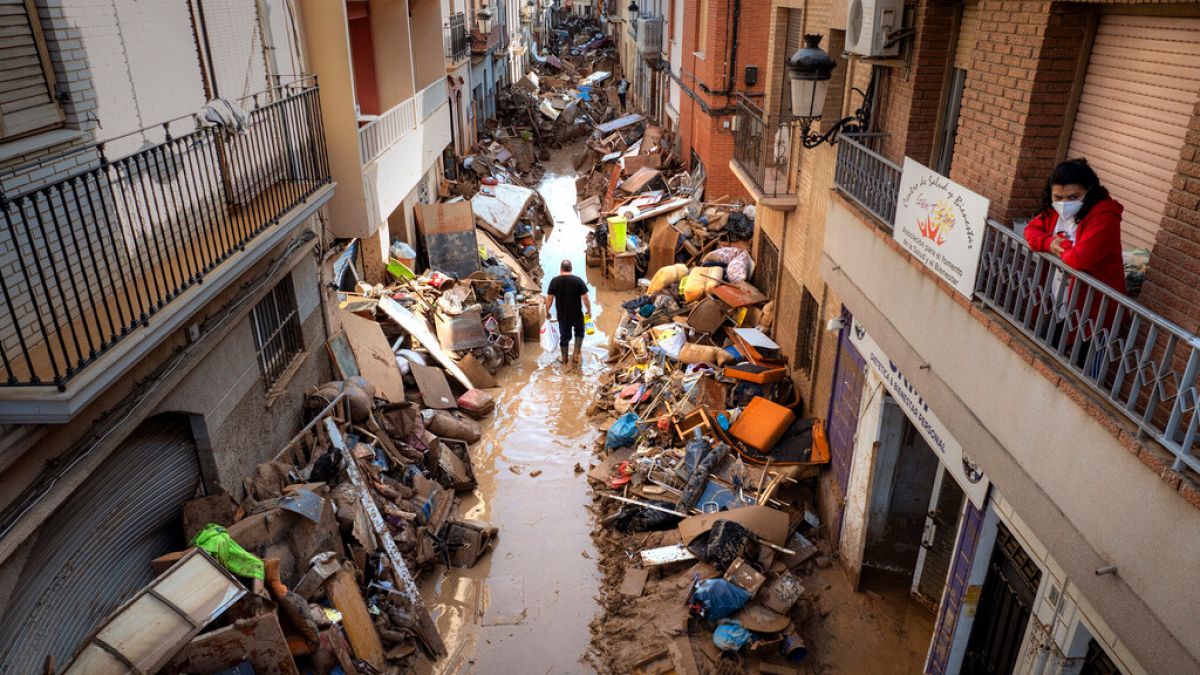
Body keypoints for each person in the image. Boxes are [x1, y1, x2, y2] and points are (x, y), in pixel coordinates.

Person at [1023, 159, 1126, 368]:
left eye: (1073, 197)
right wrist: (1049, 242)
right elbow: (1030, 231)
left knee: (1085, 372)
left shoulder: (1104, 216)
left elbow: (1079, 259)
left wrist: (1060, 248)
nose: (1064, 203)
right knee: (1041, 355)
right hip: (1063, 304)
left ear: (1088, 191)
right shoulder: (1053, 211)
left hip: (1095, 312)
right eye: (1058, 197)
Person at [545, 259, 591, 368]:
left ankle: (564, 359)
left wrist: (547, 312)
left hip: (562, 315)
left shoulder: (554, 281)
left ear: (561, 269)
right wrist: (589, 311)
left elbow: (549, 299)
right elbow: (585, 298)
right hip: (576, 314)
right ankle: (576, 355)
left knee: (564, 337)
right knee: (579, 332)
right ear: (571, 269)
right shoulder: (578, 281)